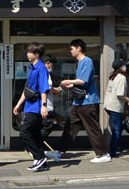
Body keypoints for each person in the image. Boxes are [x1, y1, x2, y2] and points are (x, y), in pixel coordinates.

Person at [59, 38, 109, 163]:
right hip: (79, 102)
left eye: (72, 48)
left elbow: (83, 81)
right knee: (70, 126)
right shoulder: (80, 62)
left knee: (92, 128)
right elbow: (81, 82)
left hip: (87, 101)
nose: (70, 51)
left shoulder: (87, 61)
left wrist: (68, 81)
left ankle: (103, 154)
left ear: (78, 48)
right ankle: (60, 151)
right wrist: (71, 85)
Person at [12, 42, 51, 172]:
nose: (27, 54)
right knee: (35, 135)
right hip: (29, 106)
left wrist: (44, 106)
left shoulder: (41, 68)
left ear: (37, 54)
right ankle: (41, 162)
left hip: (36, 107)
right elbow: (27, 89)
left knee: (24, 133)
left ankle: (39, 158)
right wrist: (18, 104)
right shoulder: (32, 68)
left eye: (30, 52)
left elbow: (44, 88)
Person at [104, 59, 129, 158]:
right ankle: (113, 151)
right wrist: (128, 100)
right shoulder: (121, 78)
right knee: (117, 129)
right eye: (124, 65)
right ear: (121, 67)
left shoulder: (113, 76)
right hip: (115, 106)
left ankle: (117, 146)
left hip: (108, 105)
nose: (126, 67)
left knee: (117, 127)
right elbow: (120, 94)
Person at [42, 55, 63, 163]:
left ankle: (37, 149)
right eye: (50, 64)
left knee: (45, 127)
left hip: (44, 106)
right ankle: (37, 148)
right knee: (47, 127)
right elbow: (47, 89)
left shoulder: (42, 73)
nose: (51, 66)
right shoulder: (44, 74)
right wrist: (57, 90)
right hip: (46, 107)